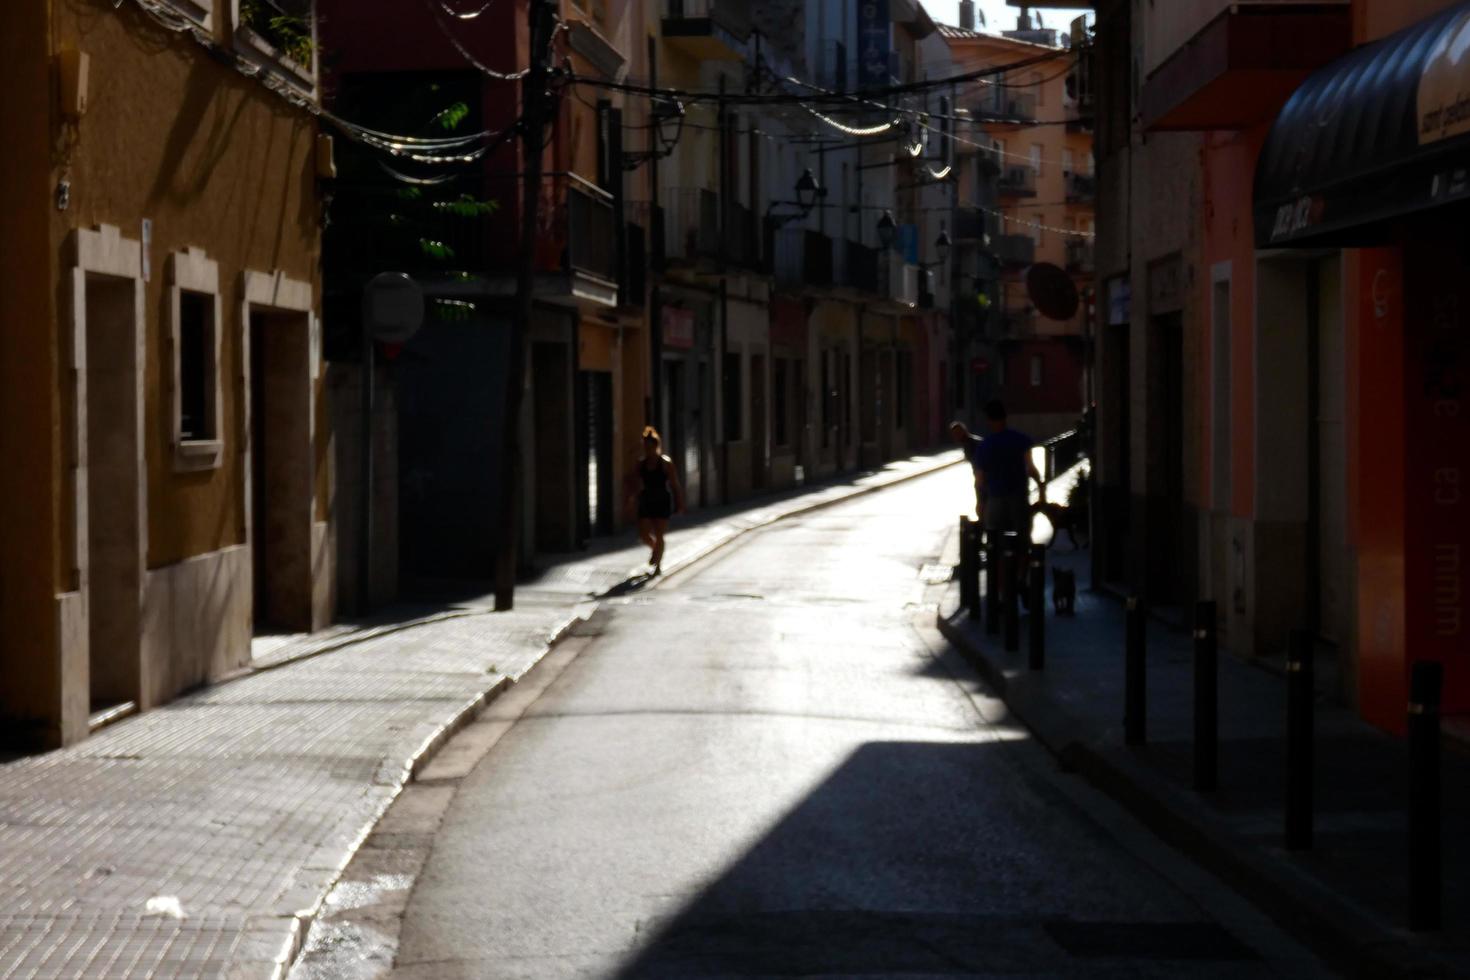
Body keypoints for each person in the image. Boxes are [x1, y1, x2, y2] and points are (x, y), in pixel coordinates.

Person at [972, 400, 1044, 535]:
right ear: (1005, 418)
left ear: (988, 420)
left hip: (995, 498)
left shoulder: (984, 446)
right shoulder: (1021, 440)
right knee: (1021, 537)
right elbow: (1030, 469)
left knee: (994, 537)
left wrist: (980, 502)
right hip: (1018, 497)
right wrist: (1040, 487)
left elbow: (980, 479)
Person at [626, 425, 685, 575]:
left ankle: (658, 565)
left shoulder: (666, 463)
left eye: (650, 447)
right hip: (646, 500)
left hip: (662, 500)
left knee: (659, 534)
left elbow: (675, 484)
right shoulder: (641, 464)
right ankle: (655, 551)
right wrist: (632, 499)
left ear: (656, 446)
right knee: (644, 534)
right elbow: (634, 483)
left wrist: (679, 502)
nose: (648, 450)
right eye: (645, 447)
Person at [949, 420, 984, 520]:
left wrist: (979, 483)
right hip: (982, 477)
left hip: (984, 478)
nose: (956, 436)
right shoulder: (968, 443)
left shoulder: (971, 444)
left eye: (957, 433)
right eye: (954, 434)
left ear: (963, 431)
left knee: (981, 507)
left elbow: (979, 466)